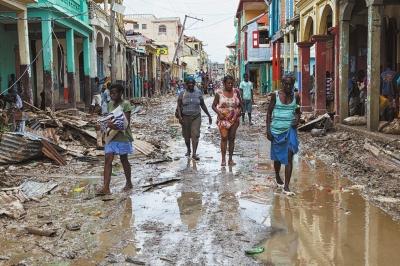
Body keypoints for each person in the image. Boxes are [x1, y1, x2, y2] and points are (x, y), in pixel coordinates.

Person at [266, 74, 300, 195]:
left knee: (289, 157)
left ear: (293, 84)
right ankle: (277, 174)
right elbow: (269, 113)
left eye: (290, 84)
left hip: (289, 130)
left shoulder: (296, 96)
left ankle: (286, 186)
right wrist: (268, 130)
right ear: (282, 83)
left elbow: (297, 112)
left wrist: (297, 119)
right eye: (285, 83)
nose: (288, 86)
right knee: (277, 159)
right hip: (276, 131)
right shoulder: (275, 96)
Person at [97, 83, 133, 195]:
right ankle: (106, 188)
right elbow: (109, 118)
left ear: (121, 93)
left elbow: (126, 124)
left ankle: (128, 182)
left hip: (122, 136)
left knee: (124, 159)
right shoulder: (109, 104)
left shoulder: (126, 104)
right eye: (111, 93)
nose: (112, 95)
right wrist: (102, 125)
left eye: (115, 93)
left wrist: (113, 125)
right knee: (108, 159)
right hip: (111, 136)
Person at [176, 77, 212, 160]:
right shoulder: (182, 93)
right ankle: (188, 149)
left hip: (196, 116)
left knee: (195, 135)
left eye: (192, 83)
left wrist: (209, 115)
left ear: (194, 84)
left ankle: (194, 153)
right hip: (185, 117)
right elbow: (178, 105)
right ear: (186, 84)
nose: (191, 84)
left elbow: (202, 105)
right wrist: (180, 117)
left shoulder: (198, 92)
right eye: (189, 83)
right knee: (186, 136)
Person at [212, 75, 243, 166]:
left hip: (234, 119)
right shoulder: (219, 93)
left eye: (231, 83)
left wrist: (239, 112)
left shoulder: (236, 92)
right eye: (228, 83)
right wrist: (219, 113)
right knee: (224, 137)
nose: (230, 85)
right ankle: (223, 159)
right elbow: (213, 106)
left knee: (232, 138)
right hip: (223, 119)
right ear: (224, 83)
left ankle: (230, 159)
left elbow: (241, 105)